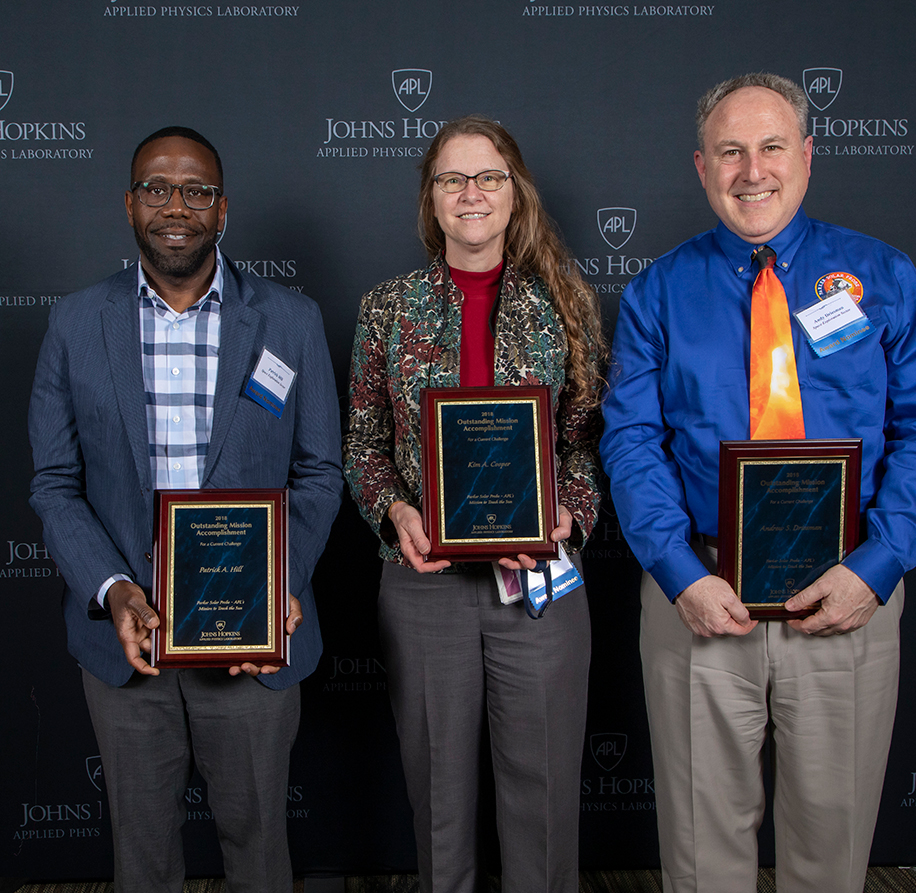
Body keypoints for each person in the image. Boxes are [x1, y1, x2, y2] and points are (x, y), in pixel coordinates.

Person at [600, 74, 916, 893]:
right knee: (700, 852)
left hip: (846, 597)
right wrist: (677, 573)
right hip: (701, 597)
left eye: (771, 147)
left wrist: (874, 571)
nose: (751, 170)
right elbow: (631, 443)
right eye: (730, 151)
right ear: (701, 166)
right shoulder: (656, 291)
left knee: (831, 849)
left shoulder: (883, 275)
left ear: (807, 157)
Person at [28, 126, 343, 893]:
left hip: (250, 644)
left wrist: (276, 586)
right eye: (157, 188)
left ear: (223, 207)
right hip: (127, 645)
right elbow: (54, 483)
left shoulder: (290, 321)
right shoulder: (75, 323)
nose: (178, 206)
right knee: (142, 861)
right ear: (129, 204)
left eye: (197, 190)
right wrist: (115, 589)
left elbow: (319, 472)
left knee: (262, 852)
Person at [343, 115, 603, 893]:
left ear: (515, 192)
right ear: (431, 198)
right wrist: (395, 511)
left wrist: (571, 514)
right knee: (439, 806)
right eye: (452, 178)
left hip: (540, 581)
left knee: (546, 798)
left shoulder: (565, 303)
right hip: (424, 585)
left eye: (488, 176)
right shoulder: (386, 309)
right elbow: (362, 443)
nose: (471, 193)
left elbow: (586, 443)